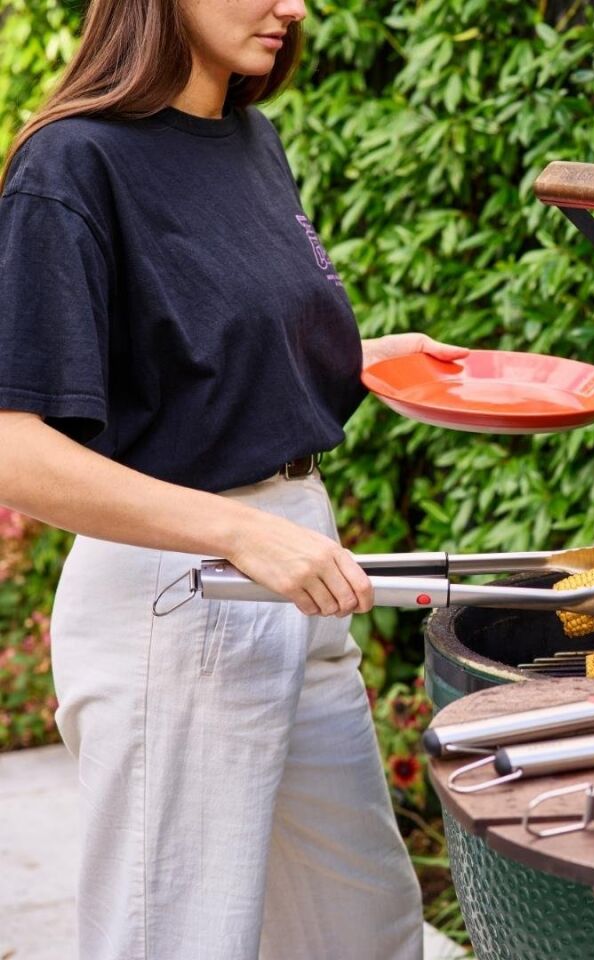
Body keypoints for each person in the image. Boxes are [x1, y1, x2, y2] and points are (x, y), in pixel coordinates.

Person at [0, 1, 466, 957]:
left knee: (365, 929)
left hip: (297, 570)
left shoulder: (250, 137)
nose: (293, 7)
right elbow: (19, 448)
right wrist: (237, 532)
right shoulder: (71, 166)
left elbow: (202, 362)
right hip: (175, 598)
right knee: (176, 937)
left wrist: (366, 359)